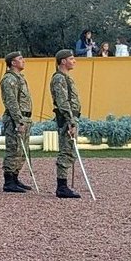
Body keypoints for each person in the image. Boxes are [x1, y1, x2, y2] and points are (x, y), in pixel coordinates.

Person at [0, 52, 33, 193]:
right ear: (12, 63)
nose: (23, 61)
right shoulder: (9, 80)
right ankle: (9, 181)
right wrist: (18, 121)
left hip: (24, 118)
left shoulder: (20, 78)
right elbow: (11, 102)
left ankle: (15, 177)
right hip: (15, 120)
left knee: (21, 150)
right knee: (14, 149)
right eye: (20, 59)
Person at [50, 49, 83, 199]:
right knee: (66, 151)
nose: (74, 61)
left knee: (69, 151)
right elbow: (63, 101)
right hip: (66, 119)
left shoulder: (65, 77)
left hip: (71, 117)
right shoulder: (59, 78)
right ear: (63, 61)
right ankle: (61, 186)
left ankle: (64, 185)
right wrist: (70, 121)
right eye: (71, 59)